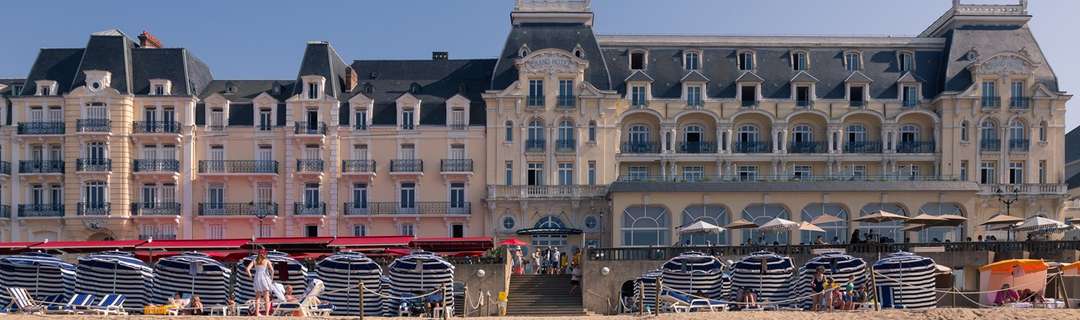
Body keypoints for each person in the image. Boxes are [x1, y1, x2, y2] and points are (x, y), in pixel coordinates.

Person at [246, 250, 275, 316]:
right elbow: (272, 271)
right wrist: (271, 279)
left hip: (256, 278)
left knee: (257, 297)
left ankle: (256, 313)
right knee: (266, 297)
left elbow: (247, 269)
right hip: (264, 278)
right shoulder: (266, 260)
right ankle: (267, 314)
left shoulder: (254, 261)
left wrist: (251, 277)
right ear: (264, 254)